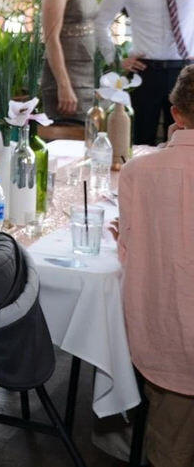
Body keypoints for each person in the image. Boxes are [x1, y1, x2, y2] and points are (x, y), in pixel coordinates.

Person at [115, 64, 194, 467]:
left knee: (171, 443)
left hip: (171, 339)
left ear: (175, 113)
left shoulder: (137, 172)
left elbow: (129, 250)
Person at [96, 0, 194, 144]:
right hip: (146, 71)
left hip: (186, 69)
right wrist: (116, 59)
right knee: (142, 136)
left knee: (187, 137)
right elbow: (100, 22)